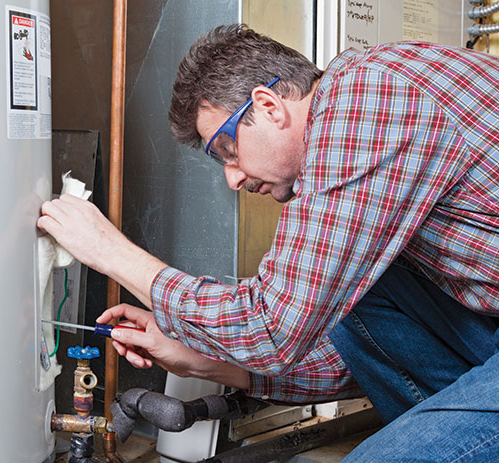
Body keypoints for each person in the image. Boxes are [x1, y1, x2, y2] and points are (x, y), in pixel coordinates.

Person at [38, 25, 499, 460]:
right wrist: (205, 361)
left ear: (269, 106)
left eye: (225, 150)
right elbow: (358, 357)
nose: (233, 177)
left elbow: (272, 327)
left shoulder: (367, 101)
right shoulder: (365, 98)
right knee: (339, 290)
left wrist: (109, 252)